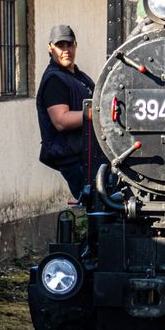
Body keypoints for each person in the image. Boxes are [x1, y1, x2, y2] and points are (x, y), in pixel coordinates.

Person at [35, 24, 101, 200]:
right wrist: (97, 113)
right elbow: (61, 120)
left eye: (69, 45)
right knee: (95, 207)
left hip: (88, 156)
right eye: (60, 46)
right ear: (50, 48)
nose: (66, 50)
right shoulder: (54, 80)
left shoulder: (80, 77)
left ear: (76, 45)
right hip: (73, 160)